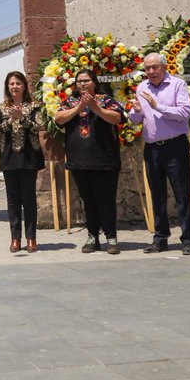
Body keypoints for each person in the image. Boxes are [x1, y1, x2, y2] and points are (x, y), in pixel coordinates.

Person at [128, 52, 190, 254]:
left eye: (155, 67)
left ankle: (188, 239)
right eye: (147, 68)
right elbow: (135, 120)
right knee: (157, 194)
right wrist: (137, 110)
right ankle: (160, 238)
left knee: (182, 193)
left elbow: (185, 113)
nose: (151, 71)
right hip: (152, 148)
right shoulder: (142, 87)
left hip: (175, 145)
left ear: (164, 67)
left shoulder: (177, 85)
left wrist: (158, 106)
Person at [54, 68, 123, 255]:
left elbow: (117, 118)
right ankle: (92, 236)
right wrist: (79, 108)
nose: (82, 84)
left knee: (106, 200)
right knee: (88, 200)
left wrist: (95, 108)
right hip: (79, 161)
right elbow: (58, 119)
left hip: (105, 161)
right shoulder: (70, 101)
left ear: (94, 82)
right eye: (79, 81)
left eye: (86, 80)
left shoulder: (106, 100)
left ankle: (111, 237)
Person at [0, 70, 45, 253]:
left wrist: (22, 118)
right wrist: (10, 120)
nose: (15, 87)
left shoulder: (34, 106)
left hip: (29, 157)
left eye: (18, 83)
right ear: (7, 86)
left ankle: (31, 238)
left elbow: (40, 125)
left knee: (28, 198)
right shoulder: (1, 108)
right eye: (11, 83)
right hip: (9, 157)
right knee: (13, 200)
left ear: (24, 86)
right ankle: (15, 238)